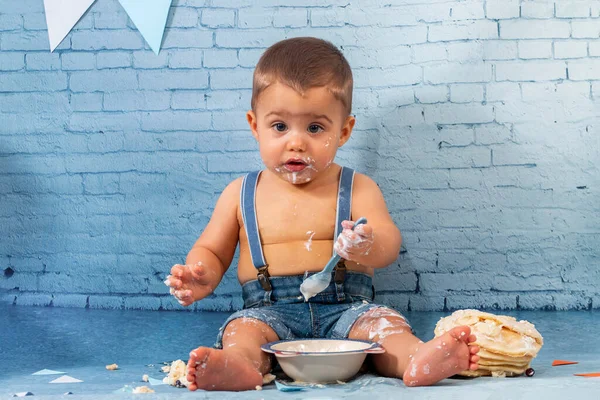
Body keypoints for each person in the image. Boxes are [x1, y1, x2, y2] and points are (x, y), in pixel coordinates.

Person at [165, 37, 479, 391]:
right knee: (243, 332)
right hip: (269, 311)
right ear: (255, 125)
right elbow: (211, 249)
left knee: (385, 329)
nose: (296, 142)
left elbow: (389, 244)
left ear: (343, 131)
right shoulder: (240, 193)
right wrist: (200, 274)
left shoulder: (357, 187)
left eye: (315, 128)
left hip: (348, 307)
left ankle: (417, 358)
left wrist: (367, 245)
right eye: (280, 126)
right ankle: (240, 365)